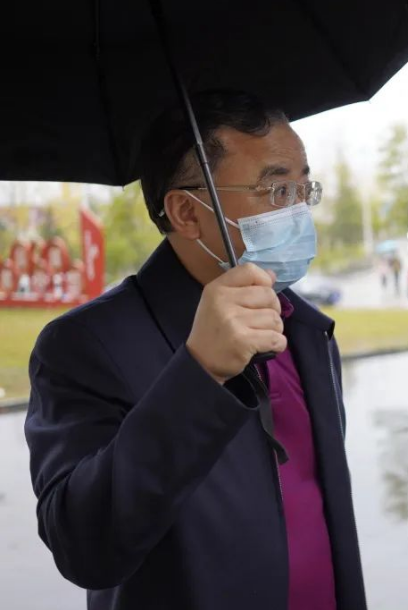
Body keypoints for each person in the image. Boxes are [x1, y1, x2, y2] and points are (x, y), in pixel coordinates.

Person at [25, 90, 367, 610]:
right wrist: (199, 373)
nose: (299, 211)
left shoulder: (302, 326)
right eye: (277, 191)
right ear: (187, 212)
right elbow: (83, 547)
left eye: (305, 188)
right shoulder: (86, 345)